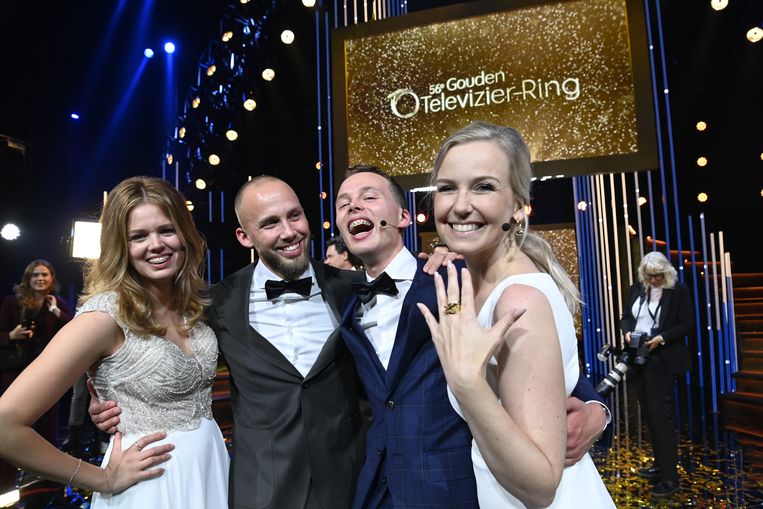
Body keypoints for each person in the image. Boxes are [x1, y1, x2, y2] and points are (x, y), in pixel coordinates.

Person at [334, 162, 611, 508]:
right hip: (378, 491)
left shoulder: (458, 277)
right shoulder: (346, 305)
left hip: (455, 489)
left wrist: (597, 408)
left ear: (404, 217)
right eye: (343, 204)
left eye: (369, 197)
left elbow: (534, 352)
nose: (353, 207)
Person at [90, 176, 376, 509]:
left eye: (294, 215)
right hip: (262, 490)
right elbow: (140, 348)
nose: (289, 231)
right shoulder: (216, 304)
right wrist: (105, 397)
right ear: (244, 236)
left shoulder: (355, 289)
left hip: (351, 482)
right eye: (270, 223)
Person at [0, 176, 229, 507]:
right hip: (150, 486)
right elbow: (5, 425)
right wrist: (101, 478)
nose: (156, 244)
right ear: (120, 246)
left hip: (210, 468)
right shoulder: (104, 317)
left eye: (167, 230)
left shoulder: (194, 305)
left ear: (185, 235)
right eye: (139, 236)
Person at [619, 250, 692, 498]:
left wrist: (661, 338)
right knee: (650, 416)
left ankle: (671, 479)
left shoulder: (678, 291)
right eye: (649, 276)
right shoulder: (638, 288)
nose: (653, 280)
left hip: (662, 358)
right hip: (637, 356)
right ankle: (660, 466)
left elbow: (687, 325)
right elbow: (626, 317)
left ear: (666, 272)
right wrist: (627, 333)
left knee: (661, 417)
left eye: (657, 276)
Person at [0, 259, 73, 495]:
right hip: (16, 371)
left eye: (44, 275)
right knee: (10, 424)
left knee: (46, 425)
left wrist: (55, 311)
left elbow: (74, 330)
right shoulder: (12, 302)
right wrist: (11, 335)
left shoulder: (57, 303)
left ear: (52, 279)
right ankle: (6, 483)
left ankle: (44, 483)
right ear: (28, 278)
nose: (40, 279)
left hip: (46, 372)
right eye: (35, 275)